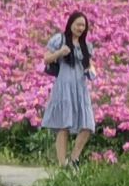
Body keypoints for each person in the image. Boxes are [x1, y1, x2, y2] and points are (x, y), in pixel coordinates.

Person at [41, 12, 96, 168]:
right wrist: (60, 52)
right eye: (78, 24)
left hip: (80, 88)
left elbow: (90, 64)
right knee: (63, 125)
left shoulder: (86, 45)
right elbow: (46, 58)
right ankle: (62, 164)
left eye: (83, 26)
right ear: (70, 23)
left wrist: (91, 71)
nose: (80, 28)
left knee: (88, 125)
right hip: (64, 87)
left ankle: (74, 158)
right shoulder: (60, 40)